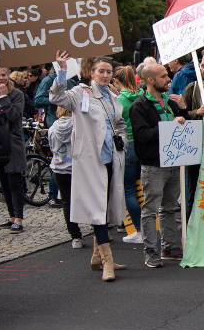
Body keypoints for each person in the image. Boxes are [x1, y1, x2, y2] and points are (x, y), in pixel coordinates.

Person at [49, 50, 128, 282]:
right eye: (100, 71)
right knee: (97, 210)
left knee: (104, 207)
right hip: (90, 161)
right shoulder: (79, 93)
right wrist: (62, 71)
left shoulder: (113, 97)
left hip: (110, 159)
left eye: (108, 71)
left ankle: (97, 256)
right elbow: (56, 98)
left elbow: (119, 123)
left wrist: (122, 140)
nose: (105, 75)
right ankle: (106, 261)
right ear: (91, 73)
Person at [130, 62, 189, 268]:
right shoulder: (139, 106)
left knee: (170, 207)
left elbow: (184, 126)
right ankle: (151, 252)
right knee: (151, 209)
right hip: (154, 165)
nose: (168, 79)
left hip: (173, 162)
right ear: (151, 81)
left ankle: (170, 247)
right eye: (164, 76)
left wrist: (183, 110)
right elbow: (142, 135)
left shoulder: (169, 102)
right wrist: (166, 127)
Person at [0, 63, 26, 233]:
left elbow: (14, 116)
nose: (1, 78)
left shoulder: (16, 94)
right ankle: (11, 216)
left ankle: (19, 218)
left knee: (15, 181)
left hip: (12, 142)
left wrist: (3, 99)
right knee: (4, 182)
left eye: (4, 75)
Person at [113, 65, 143, 244]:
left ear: (117, 81)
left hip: (128, 144)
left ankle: (138, 230)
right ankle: (149, 227)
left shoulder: (119, 101)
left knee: (129, 189)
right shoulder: (141, 95)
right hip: (143, 144)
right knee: (145, 188)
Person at [47, 106, 84, 248]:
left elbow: (51, 147)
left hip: (59, 169)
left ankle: (75, 236)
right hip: (76, 168)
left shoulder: (52, 128)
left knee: (67, 202)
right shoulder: (78, 126)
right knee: (86, 199)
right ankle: (97, 228)